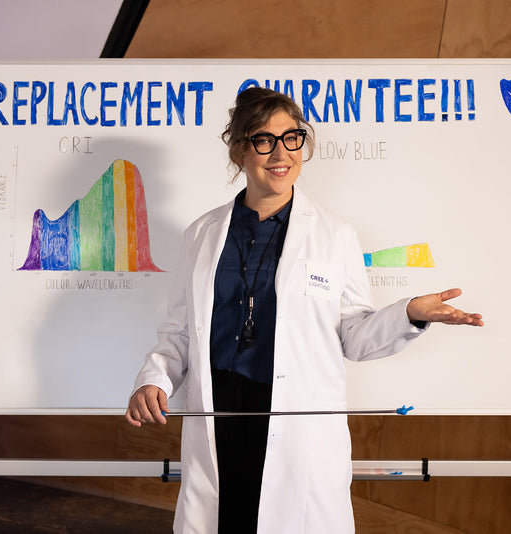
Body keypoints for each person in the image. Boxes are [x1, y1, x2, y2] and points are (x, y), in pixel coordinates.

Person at [126, 87, 483, 534]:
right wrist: (154, 380)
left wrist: (410, 312)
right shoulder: (202, 233)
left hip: (294, 420)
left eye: (292, 138)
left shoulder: (335, 235)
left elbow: (353, 335)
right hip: (218, 416)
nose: (280, 153)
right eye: (264, 140)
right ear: (239, 149)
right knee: (224, 520)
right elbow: (180, 331)